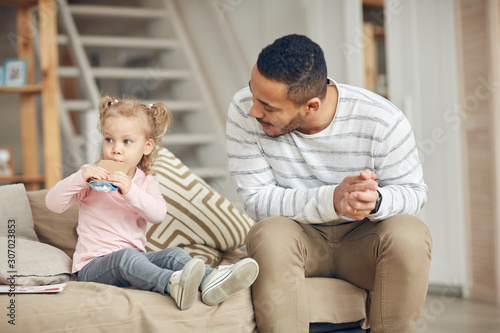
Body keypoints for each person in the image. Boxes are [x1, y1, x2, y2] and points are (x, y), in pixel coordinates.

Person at [226, 34, 432, 332]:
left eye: (268, 106)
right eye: (252, 93)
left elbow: (413, 192)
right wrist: (332, 201)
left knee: (411, 233)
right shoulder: (244, 110)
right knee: (269, 232)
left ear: (310, 106)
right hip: (298, 239)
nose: (253, 110)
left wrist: (375, 202)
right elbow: (257, 200)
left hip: (362, 243)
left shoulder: (382, 119)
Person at [46, 96, 259, 311]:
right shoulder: (90, 177)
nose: (116, 149)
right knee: (125, 258)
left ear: (147, 146)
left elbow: (157, 214)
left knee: (173, 254)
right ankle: (172, 283)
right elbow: (53, 203)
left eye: (126, 141)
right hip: (92, 267)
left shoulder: (147, 182)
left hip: (135, 259)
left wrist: (130, 191)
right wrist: (80, 177)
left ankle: (212, 280)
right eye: (109, 139)